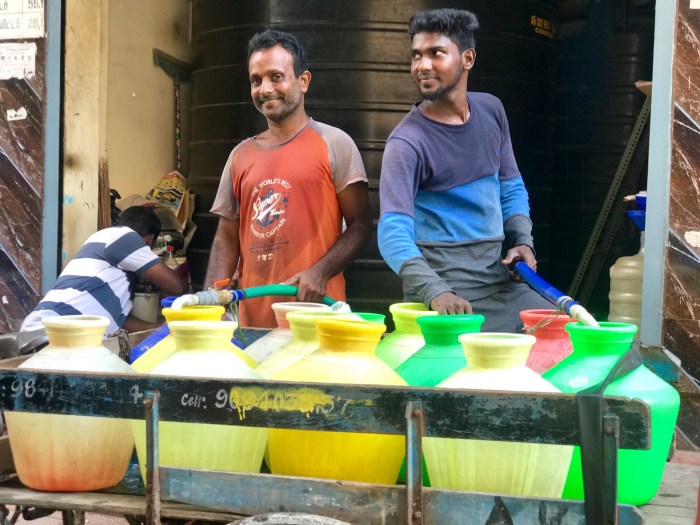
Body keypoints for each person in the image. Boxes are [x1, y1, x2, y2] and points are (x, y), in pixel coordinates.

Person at [378, 8, 552, 333]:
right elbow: (392, 233)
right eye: (416, 55)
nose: (422, 65)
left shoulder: (492, 110)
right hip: (444, 298)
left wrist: (523, 242)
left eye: (436, 53)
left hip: (500, 286)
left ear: (467, 58)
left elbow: (511, 187)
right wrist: (435, 291)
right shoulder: (406, 142)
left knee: (565, 331)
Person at [205, 29, 371, 328]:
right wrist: (212, 299)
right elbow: (225, 237)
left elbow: (360, 225)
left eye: (276, 77)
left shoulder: (334, 143)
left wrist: (319, 272)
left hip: (316, 318)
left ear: (303, 81)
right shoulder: (240, 156)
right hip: (252, 324)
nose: (265, 89)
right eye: (256, 80)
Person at [21, 205, 188, 336]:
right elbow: (175, 286)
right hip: (54, 329)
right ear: (149, 240)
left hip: (54, 331)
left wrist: (158, 328)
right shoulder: (124, 236)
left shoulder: (113, 267)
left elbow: (120, 320)